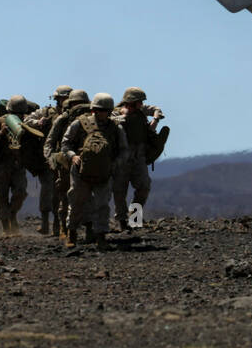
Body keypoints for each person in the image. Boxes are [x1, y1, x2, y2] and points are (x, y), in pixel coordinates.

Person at [62, 93, 127, 251]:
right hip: (80, 170)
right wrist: (73, 156)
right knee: (76, 202)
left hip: (104, 172)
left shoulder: (115, 128)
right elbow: (65, 144)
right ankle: (72, 233)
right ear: (93, 110)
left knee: (102, 205)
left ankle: (101, 237)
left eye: (105, 110)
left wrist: (114, 164)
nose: (101, 113)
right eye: (99, 110)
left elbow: (124, 150)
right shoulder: (79, 124)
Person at [110, 86, 163, 231]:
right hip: (121, 157)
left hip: (138, 156)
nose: (141, 104)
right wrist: (124, 116)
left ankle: (134, 217)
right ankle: (121, 221)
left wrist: (156, 119)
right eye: (139, 101)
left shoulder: (141, 111)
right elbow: (111, 122)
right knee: (119, 190)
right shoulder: (115, 113)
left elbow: (155, 109)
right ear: (131, 102)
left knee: (144, 186)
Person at [24, 85, 72, 236]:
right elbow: (27, 120)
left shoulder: (74, 113)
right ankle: (45, 224)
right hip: (48, 157)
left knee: (63, 193)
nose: (64, 100)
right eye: (62, 98)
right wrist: (38, 123)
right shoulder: (46, 112)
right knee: (48, 192)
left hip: (66, 158)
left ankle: (62, 226)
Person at [44, 89, 89, 241]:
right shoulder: (63, 119)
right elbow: (50, 142)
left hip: (86, 162)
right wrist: (52, 160)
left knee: (89, 196)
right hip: (65, 162)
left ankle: (89, 230)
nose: (79, 107)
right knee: (64, 196)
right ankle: (63, 227)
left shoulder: (93, 119)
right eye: (77, 104)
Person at [0, 95, 29, 234]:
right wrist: (0, 133)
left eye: (20, 113)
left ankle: (12, 215)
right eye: (15, 113)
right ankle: (6, 227)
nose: (18, 116)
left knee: (20, 192)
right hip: (1, 165)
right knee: (2, 196)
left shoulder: (27, 121)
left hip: (18, 165)